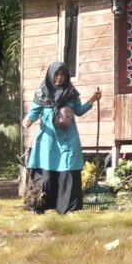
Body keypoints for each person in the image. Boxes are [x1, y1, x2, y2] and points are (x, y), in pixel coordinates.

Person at [22, 63, 101, 214]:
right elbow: (33, 113)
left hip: (68, 139)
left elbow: (78, 111)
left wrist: (92, 99)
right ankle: (39, 206)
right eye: (56, 74)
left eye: (62, 75)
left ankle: (68, 209)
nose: (59, 78)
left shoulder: (71, 93)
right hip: (48, 141)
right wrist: (27, 120)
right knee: (44, 176)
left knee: (68, 170)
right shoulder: (42, 93)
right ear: (50, 75)